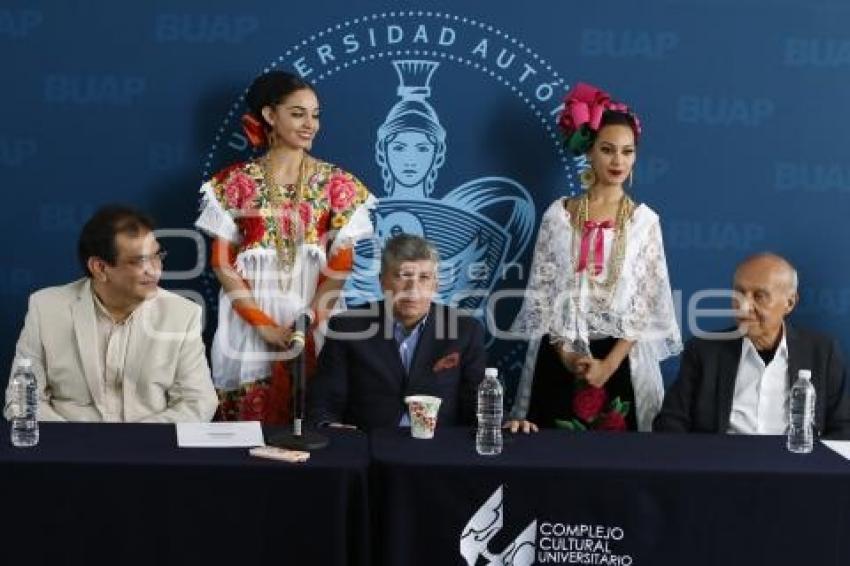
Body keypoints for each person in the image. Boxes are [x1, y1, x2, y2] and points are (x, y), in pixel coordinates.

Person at [194, 71, 376, 423]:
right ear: (268, 115)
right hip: (251, 325)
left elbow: (340, 267)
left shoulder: (337, 184)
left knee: (317, 423)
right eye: (298, 113)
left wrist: (306, 322)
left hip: (315, 321)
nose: (310, 124)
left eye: (315, 114)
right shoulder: (234, 183)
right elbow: (223, 264)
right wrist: (263, 325)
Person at [507, 83, 682, 433]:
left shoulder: (644, 222)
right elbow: (544, 298)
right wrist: (569, 357)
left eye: (627, 152)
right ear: (589, 152)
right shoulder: (559, 216)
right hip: (560, 358)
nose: (618, 161)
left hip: (621, 362)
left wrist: (608, 365)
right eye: (608, 150)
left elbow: (646, 303)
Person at [4, 205, 216, 422]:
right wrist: (75, 443)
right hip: (68, 449)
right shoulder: (46, 308)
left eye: (157, 255)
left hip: (149, 450)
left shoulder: (182, 314)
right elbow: (21, 400)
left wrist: (132, 444)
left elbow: (198, 402)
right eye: (139, 261)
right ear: (100, 268)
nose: (155, 270)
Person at [654, 253, 850, 437]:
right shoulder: (704, 350)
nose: (744, 306)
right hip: (720, 464)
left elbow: (842, 427)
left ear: (789, 303)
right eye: (739, 293)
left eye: (759, 296)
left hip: (796, 464)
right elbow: (671, 421)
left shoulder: (822, 352)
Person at [307, 234, 486, 431]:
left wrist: (504, 422)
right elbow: (324, 398)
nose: (413, 289)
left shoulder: (465, 330)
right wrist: (328, 426)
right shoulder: (347, 327)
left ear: (436, 285)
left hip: (439, 448)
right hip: (367, 446)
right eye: (403, 276)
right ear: (382, 281)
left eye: (424, 278)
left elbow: (478, 399)